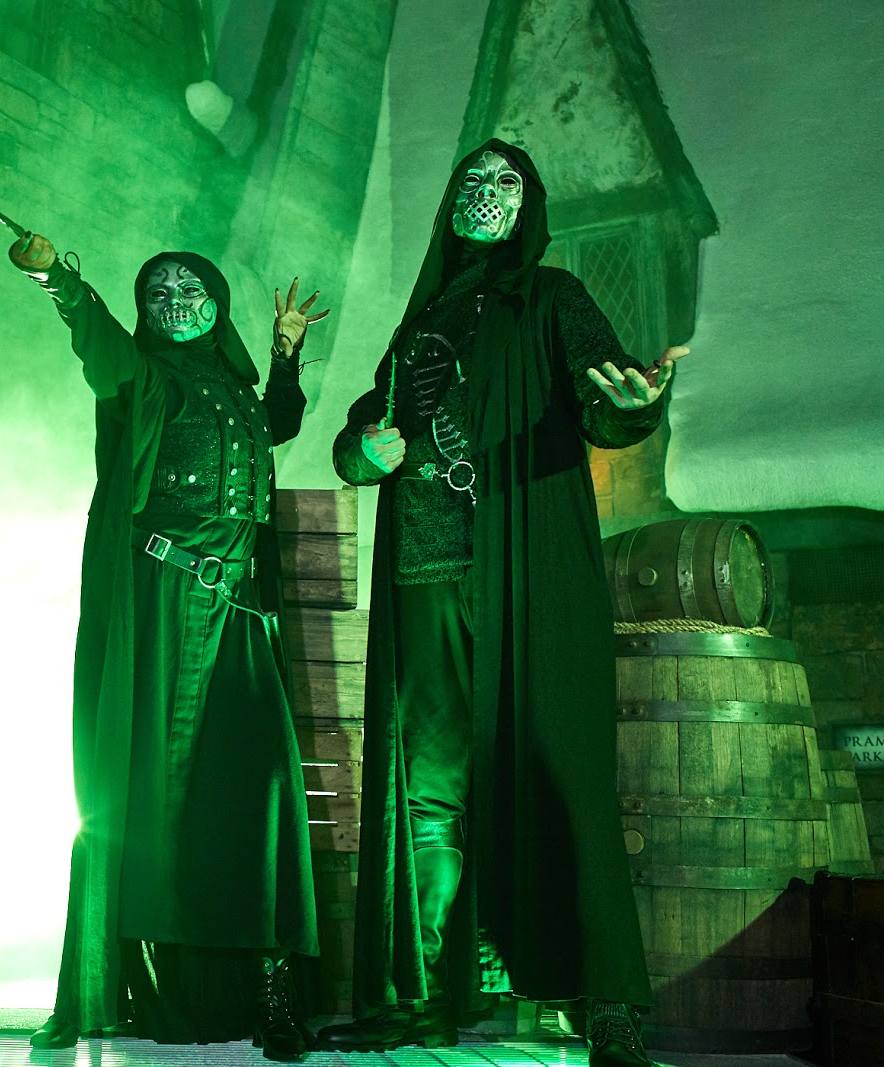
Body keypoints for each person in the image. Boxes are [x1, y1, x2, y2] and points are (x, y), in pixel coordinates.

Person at [316, 140, 687, 1067]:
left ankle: (606, 1001)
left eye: (505, 180)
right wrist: (363, 452)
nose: (485, 192)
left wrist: (635, 403)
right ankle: (420, 995)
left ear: (530, 203)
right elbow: (363, 426)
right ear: (451, 202)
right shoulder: (420, 323)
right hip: (425, 572)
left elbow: (603, 395)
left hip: (523, 572)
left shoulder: (554, 297)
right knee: (427, 789)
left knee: (563, 774)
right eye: (472, 180)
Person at [7, 235, 324, 1061]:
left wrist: (285, 351)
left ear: (218, 306)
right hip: (166, 605)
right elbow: (102, 349)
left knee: (259, 790)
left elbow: (278, 422)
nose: (176, 301)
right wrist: (60, 281)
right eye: (159, 292)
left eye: (192, 290)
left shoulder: (238, 390)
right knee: (148, 792)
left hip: (238, 612)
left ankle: (267, 988)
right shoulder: (143, 377)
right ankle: (119, 983)